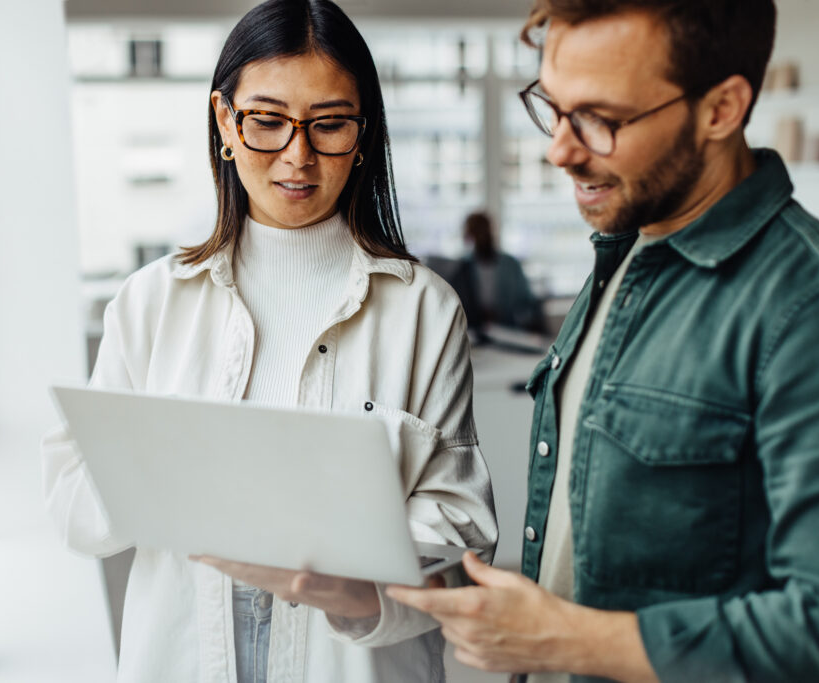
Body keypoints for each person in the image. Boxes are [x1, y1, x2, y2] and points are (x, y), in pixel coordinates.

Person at [388, 1, 819, 682]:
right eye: (553, 106)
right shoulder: (627, 252)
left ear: (721, 109)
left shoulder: (817, 303)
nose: (559, 149)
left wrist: (564, 640)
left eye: (601, 120)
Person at [41, 1, 497, 681]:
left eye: (329, 124)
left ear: (363, 132)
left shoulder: (424, 311)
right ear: (225, 122)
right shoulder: (149, 302)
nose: (298, 155)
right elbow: (74, 511)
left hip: (354, 658)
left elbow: (460, 536)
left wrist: (350, 587)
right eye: (267, 120)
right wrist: (172, 468)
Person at [455, 210, 546, 336]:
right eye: (476, 233)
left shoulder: (511, 265)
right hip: (474, 334)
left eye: (483, 231)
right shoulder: (463, 267)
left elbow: (528, 303)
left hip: (509, 332)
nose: (481, 237)